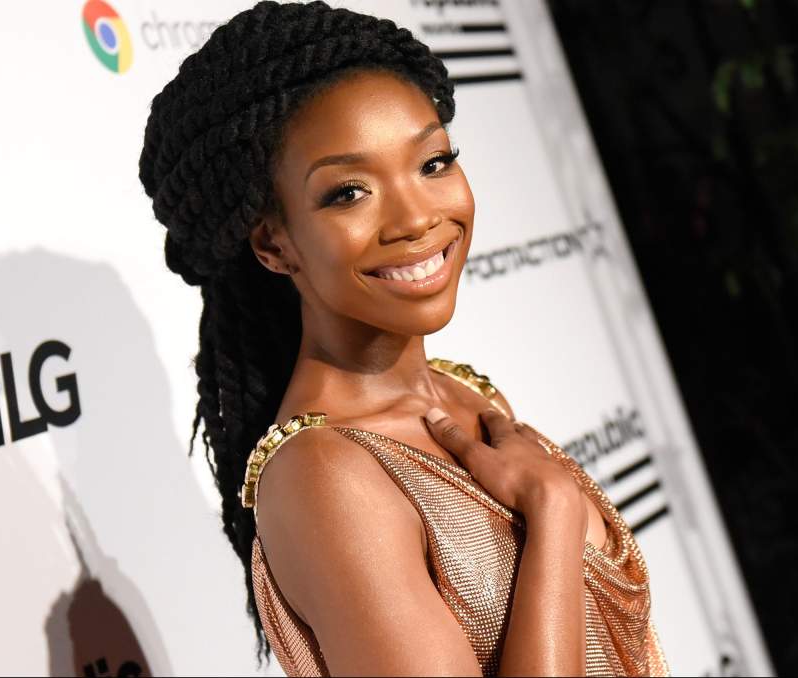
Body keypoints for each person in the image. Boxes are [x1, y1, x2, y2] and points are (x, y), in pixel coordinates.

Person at [138, 1, 668, 675]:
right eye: (348, 193)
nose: (417, 217)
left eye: (433, 163)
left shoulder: (465, 395)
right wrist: (554, 513)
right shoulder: (324, 477)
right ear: (273, 244)